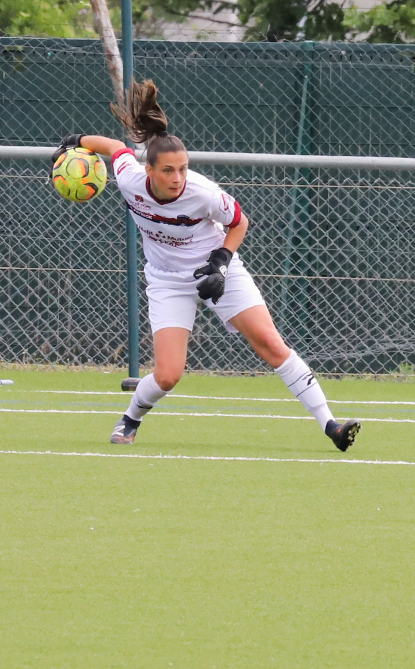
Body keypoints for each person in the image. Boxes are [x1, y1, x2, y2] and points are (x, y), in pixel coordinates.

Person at [59, 79, 360, 452]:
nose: (178, 178)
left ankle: (330, 424)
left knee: (269, 342)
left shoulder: (203, 192)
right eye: (168, 171)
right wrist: (76, 141)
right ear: (149, 170)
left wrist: (220, 262)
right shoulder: (129, 179)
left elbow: (239, 222)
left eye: (183, 169)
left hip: (218, 271)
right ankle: (131, 418)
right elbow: (116, 148)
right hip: (167, 281)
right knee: (168, 376)